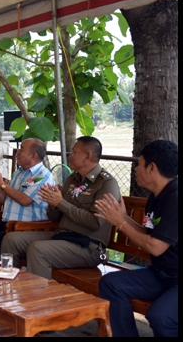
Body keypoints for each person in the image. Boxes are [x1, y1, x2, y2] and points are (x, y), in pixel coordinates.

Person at [1, 136, 120, 280]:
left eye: (74, 152)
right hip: (62, 235)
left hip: (88, 246)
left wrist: (61, 203)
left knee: (38, 250)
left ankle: (37, 299)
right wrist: (53, 204)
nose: (70, 155)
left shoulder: (106, 183)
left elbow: (96, 222)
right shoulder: (72, 179)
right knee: (11, 240)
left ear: (87, 156)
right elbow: (55, 217)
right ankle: (9, 289)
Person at [95, 140, 178, 338]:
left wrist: (122, 223)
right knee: (110, 283)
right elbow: (149, 233)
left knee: (160, 317)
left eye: (138, 164)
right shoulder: (156, 196)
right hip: (161, 274)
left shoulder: (175, 199)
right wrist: (123, 218)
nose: (135, 169)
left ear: (152, 167)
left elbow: (155, 247)